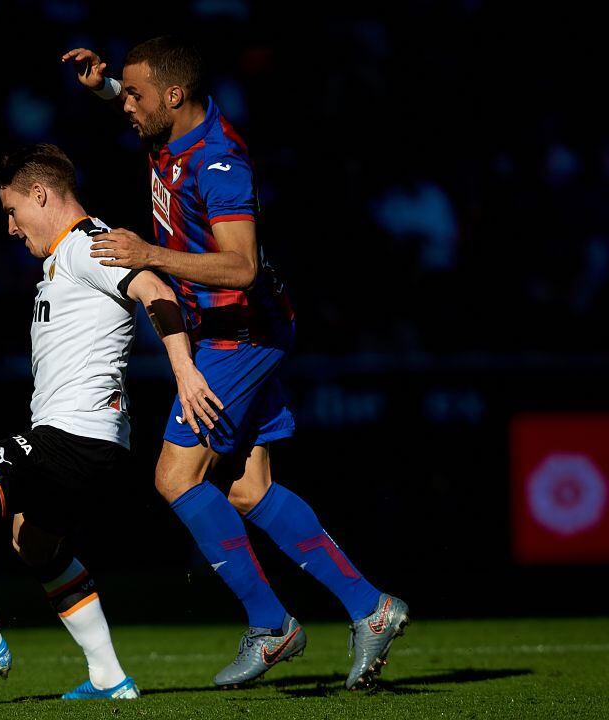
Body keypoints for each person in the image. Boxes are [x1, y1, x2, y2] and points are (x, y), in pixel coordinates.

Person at [62, 36, 409, 691]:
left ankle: (272, 625)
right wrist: (105, 88)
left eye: (134, 95)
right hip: (235, 328)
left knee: (174, 475)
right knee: (248, 489)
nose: (125, 107)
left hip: (238, 332)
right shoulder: (172, 132)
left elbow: (243, 266)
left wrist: (149, 254)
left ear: (173, 96)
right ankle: (372, 608)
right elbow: (139, 108)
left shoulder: (219, 161)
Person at [0, 143, 221, 699]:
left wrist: (184, 371)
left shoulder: (85, 246)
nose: (10, 226)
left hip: (72, 439)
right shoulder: (67, 256)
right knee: (33, 544)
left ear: (41, 194)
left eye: (12, 211)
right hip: (91, 443)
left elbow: (154, 288)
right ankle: (109, 677)